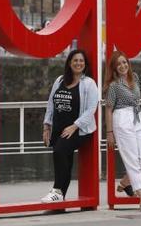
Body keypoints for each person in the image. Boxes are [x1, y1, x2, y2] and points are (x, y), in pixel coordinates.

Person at [40, 49, 99, 203]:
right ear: (69, 63)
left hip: (79, 130)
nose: (78, 63)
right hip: (59, 127)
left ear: (85, 64)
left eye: (81, 61)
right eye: (75, 60)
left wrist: (75, 126)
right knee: (64, 157)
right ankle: (60, 196)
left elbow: (91, 109)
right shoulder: (60, 80)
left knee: (60, 151)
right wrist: (47, 125)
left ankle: (57, 190)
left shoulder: (89, 83)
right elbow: (51, 103)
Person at [104, 52, 141, 212]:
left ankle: (126, 182)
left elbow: (137, 99)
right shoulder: (113, 86)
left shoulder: (135, 77)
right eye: (119, 64)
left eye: (124, 62)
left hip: (138, 116)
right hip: (122, 119)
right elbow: (108, 109)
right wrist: (109, 132)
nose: (122, 66)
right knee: (132, 159)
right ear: (114, 67)